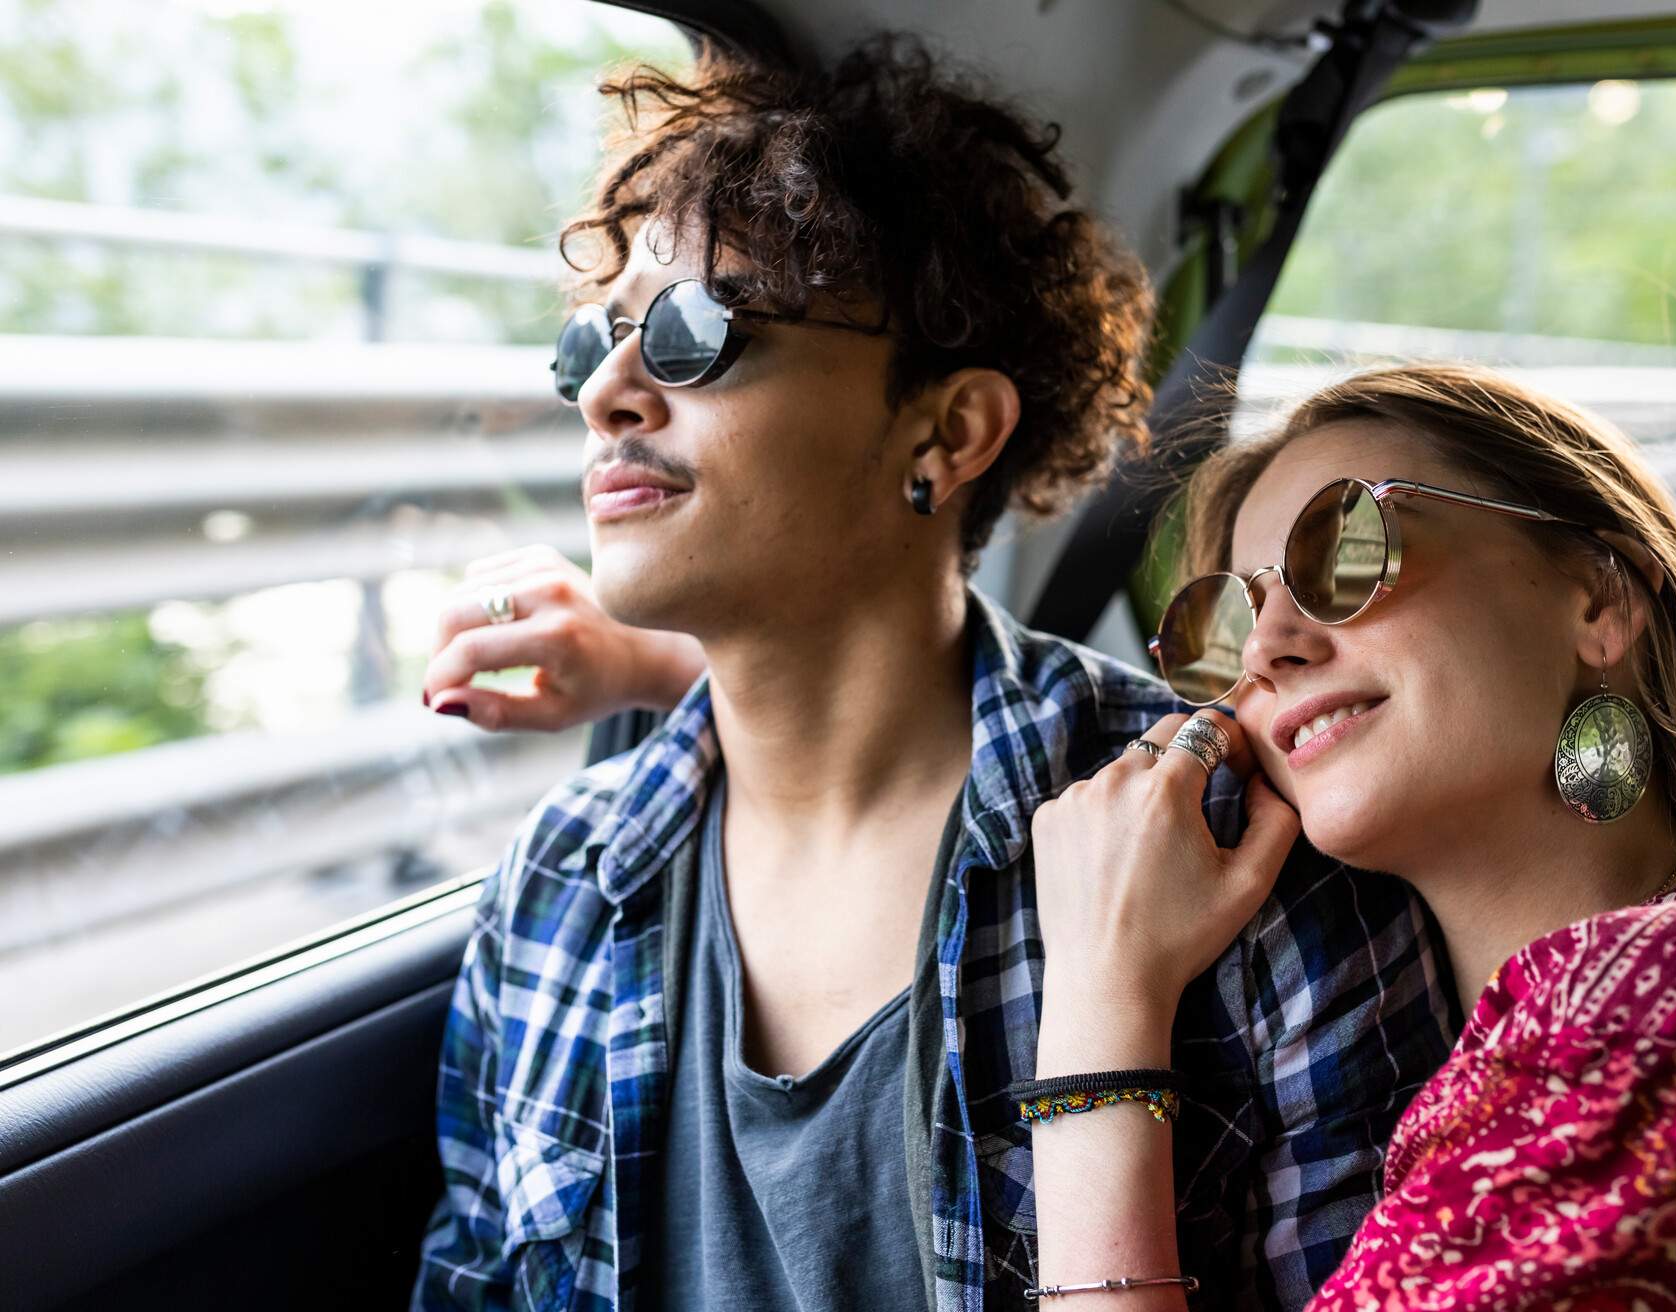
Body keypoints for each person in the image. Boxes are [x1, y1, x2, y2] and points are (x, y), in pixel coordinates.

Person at [411, 36, 1456, 1312]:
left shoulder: (1225, 846)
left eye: (693, 333)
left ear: (948, 430)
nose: (609, 394)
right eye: (591, 346)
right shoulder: (558, 886)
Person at [1024, 361, 1676, 1308]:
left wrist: (1100, 995)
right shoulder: (1471, 1072)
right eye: (1227, 620)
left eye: (1345, 550)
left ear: (1600, 600)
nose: (1264, 649)